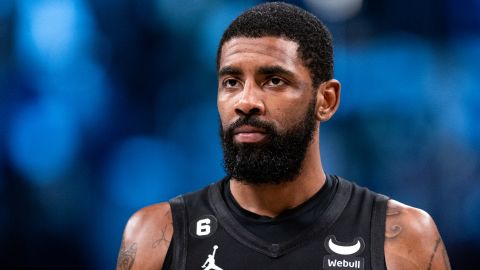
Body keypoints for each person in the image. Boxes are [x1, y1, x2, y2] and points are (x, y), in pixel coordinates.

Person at [116, 2, 451, 269]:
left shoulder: (404, 237)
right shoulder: (154, 235)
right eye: (231, 82)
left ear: (327, 100)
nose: (246, 102)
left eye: (274, 80)